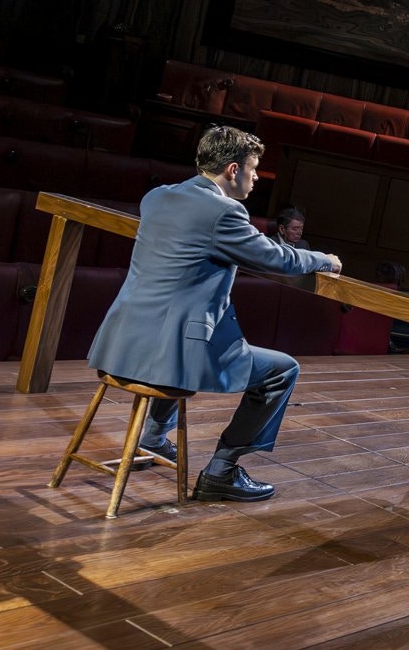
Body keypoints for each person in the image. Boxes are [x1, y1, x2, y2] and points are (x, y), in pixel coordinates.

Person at [86, 126, 342, 503]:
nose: (257, 178)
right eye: (254, 169)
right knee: (282, 369)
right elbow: (276, 258)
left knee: (185, 333)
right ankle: (221, 471)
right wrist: (323, 259)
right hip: (172, 352)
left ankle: (154, 437)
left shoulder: (156, 198)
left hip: (122, 341)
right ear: (233, 169)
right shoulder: (224, 212)